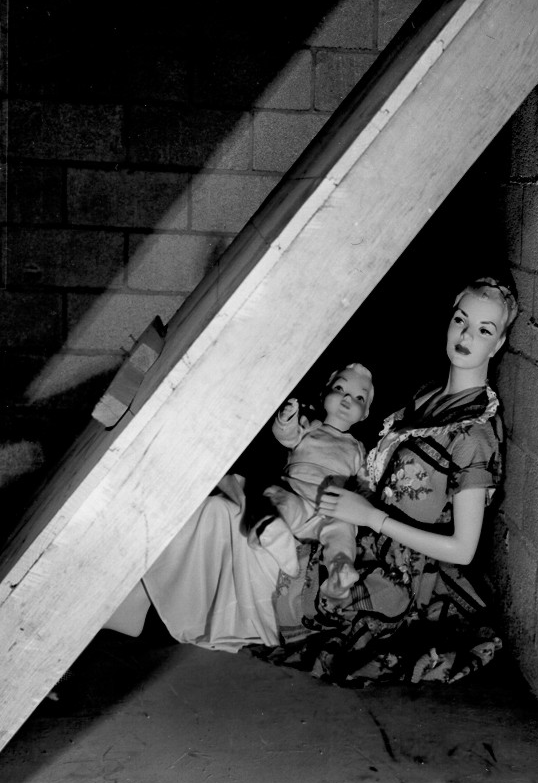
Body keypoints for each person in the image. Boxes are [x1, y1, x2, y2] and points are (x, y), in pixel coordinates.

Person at [104, 275, 516, 685]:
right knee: (217, 510)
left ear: (497, 344)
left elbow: (462, 550)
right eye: (461, 320)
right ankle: (139, 600)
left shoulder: (475, 433)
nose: (466, 336)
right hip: (348, 520)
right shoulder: (427, 397)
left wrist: (371, 518)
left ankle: (157, 614)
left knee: (243, 539)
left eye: (484, 330)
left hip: (392, 569)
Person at [256, 363, 373, 599]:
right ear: (324, 392)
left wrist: (365, 502)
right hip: (296, 493)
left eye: (359, 397)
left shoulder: (358, 448)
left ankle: (339, 572)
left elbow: (365, 484)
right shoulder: (311, 427)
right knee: (276, 498)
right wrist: (286, 418)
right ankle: (275, 535)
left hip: (329, 509)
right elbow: (286, 436)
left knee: (343, 528)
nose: (348, 398)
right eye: (340, 388)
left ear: (365, 413)